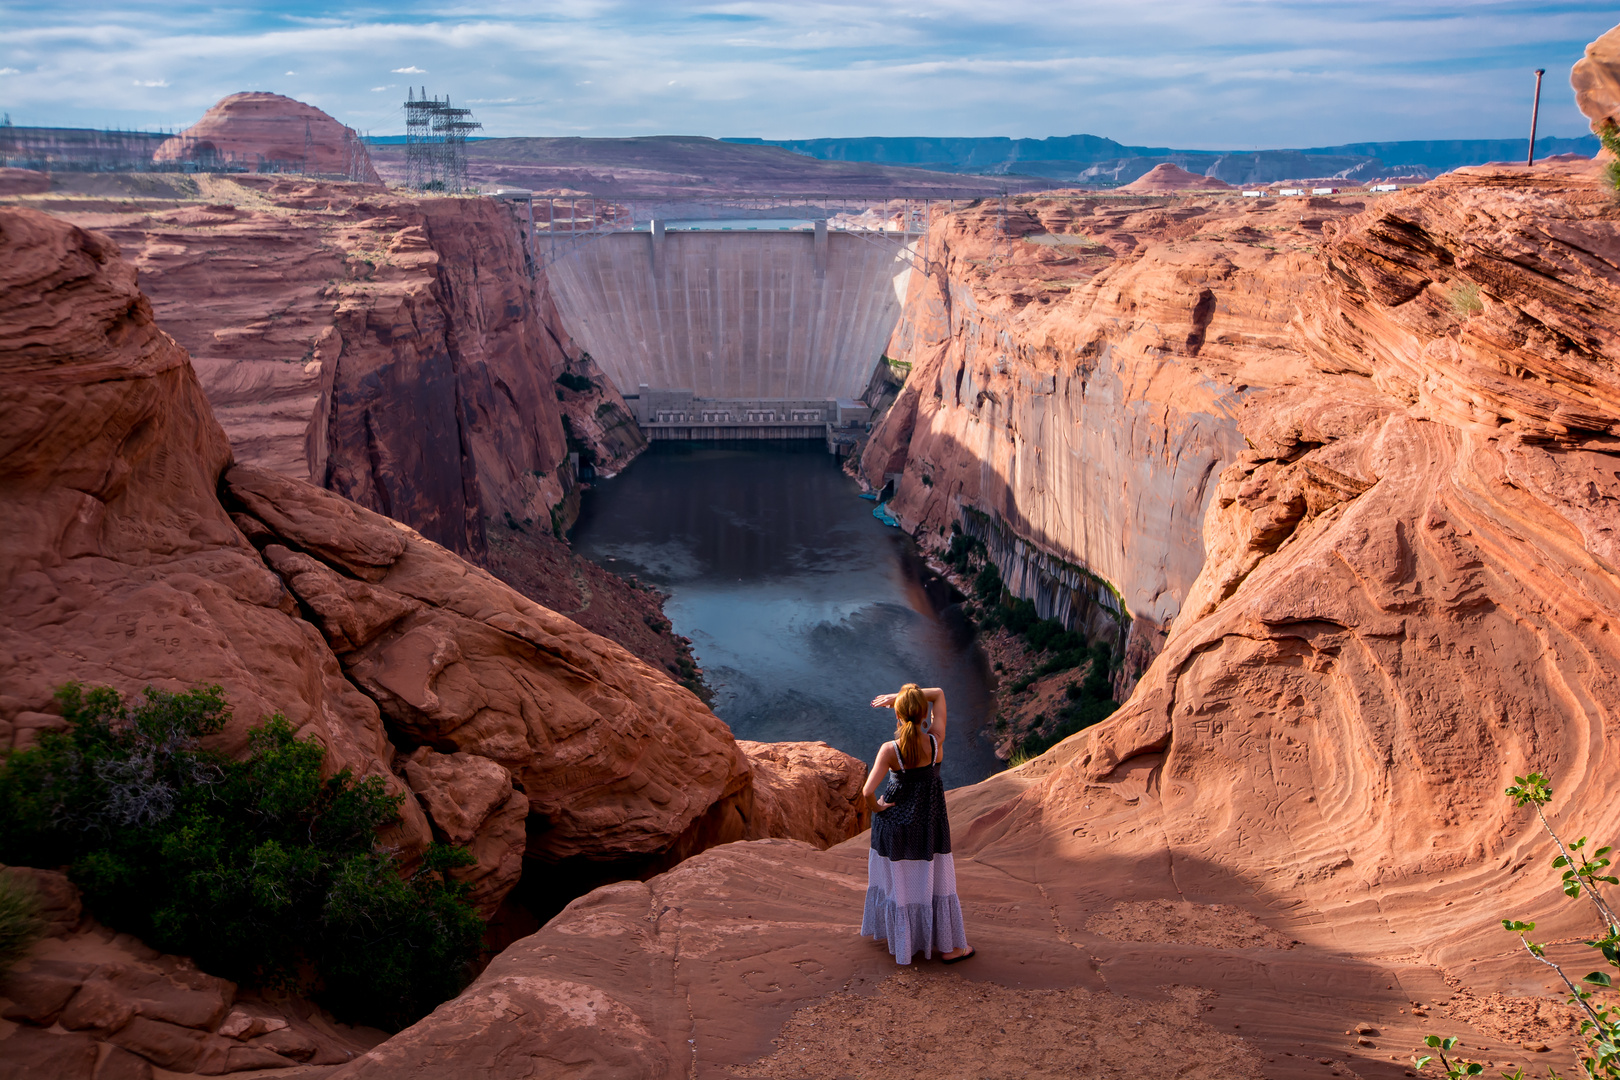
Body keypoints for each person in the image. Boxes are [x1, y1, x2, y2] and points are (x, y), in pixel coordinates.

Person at [859, 683, 973, 965]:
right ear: (925, 716)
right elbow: (940, 694)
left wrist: (878, 807)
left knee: (900, 885)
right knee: (935, 884)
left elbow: (866, 792)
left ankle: (903, 941)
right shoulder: (936, 741)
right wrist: (902, 698)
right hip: (929, 826)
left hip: (894, 826)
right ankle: (949, 948)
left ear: (898, 717)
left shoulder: (890, 750)